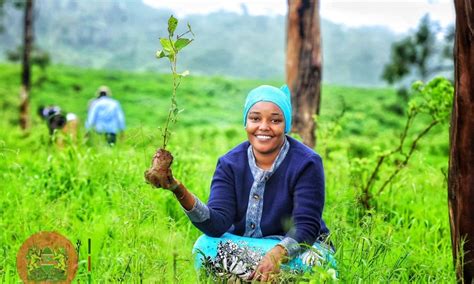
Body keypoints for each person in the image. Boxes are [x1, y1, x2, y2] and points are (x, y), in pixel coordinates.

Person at [146, 85, 334, 282]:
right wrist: (177, 188)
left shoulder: (307, 163)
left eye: (275, 120)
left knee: (316, 263)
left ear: (285, 126)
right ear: (246, 123)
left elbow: (306, 226)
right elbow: (216, 224)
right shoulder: (229, 163)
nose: (264, 126)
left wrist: (277, 253)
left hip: (296, 251)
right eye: (255, 118)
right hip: (247, 247)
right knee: (204, 247)